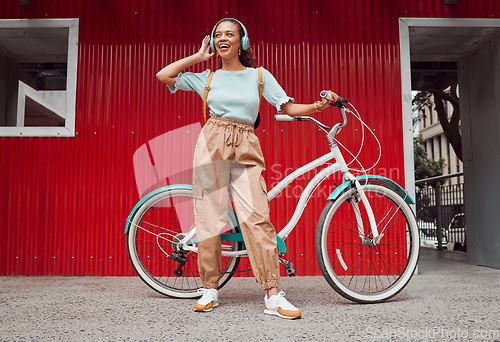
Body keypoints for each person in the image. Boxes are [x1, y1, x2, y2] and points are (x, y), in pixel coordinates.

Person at [156, 18, 337, 320]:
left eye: (230, 34)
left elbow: (287, 107)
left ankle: (272, 295)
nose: (223, 38)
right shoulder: (207, 77)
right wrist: (199, 57)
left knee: (257, 218)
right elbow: (164, 75)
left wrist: (318, 107)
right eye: (218, 35)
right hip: (212, 141)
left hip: (245, 145)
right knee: (209, 216)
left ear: (243, 41)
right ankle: (209, 288)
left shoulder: (259, 76)